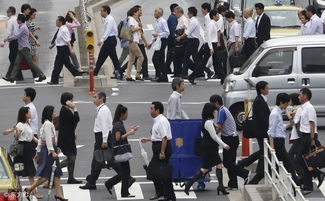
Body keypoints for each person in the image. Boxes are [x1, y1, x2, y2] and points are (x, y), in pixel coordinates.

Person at [184, 103, 230, 196]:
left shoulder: (205, 121)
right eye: (213, 111)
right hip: (210, 147)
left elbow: (205, 134)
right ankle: (189, 185)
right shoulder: (208, 123)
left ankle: (220, 186)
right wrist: (224, 145)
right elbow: (214, 136)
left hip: (208, 146)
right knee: (211, 167)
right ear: (210, 112)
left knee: (213, 166)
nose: (214, 112)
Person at [24, 105, 67, 201]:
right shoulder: (48, 124)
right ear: (50, 114)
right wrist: (52, 151)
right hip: (49, 151)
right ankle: (30, 188)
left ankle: (58, 194)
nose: (55, 114)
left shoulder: (47, 124)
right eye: (53, 112)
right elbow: (47, 139)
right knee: (46, 175)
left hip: (47, 149)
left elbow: (40, 140)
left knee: (57, 173)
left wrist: (38, 152)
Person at [210, 95, 249, 190]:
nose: (211, 106)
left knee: (227, 163)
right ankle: (233, 184)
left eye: (212, 103)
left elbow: (219, 127)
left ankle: (245, 174)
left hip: (230, 139)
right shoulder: (222, 110)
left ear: (216, 103)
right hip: (230, 138)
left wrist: (212, 136)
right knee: (230, 162)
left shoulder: (222, 111)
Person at [3, 107, 41, 199]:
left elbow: (32, 137)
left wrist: (41, 143)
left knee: (29, 170)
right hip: (22, 149)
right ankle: (31, 191)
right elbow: (16, 137)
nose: (31, 113)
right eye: (29, 112)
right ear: (25, 114)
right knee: (20, 170)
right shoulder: (20, 124)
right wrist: (17, 133)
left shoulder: (27, 124)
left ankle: (32, 191)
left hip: (27, 148)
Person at [140, 102, 176, 201]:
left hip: (162, 149)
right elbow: (158, 136)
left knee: (158, 172)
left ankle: (170, 196)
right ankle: (163, 194)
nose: (150, 110)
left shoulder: (161, 121)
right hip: (158, 147)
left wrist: (162, 152)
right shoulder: (157, 120)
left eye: (152, 108)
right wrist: (148, 139)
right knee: (157, 172)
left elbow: (164, 138)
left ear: (157, 110)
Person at [238, 81, 270, 184]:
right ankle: (247, 165)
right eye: (267, 88)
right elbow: (262, 118)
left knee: (263, 151)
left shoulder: (260, 100)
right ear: (262, 90)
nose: (268, 89)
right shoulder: (260, 101)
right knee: (264, 151)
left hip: (261, 131)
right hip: (262, 132)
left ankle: (246, 164)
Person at [80, 92, 113, 190]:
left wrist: (104, 140)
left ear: (101, 99)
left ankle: (126, 176)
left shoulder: (103, 110)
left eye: (95, 97)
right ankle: (92, 182)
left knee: (104, 160)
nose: (93, 99)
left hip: (101, 137)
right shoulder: (102, 109)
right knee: (98, 161)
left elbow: (105, 127)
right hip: (101, 137)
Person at [3, 14, 46, 83]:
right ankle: (12, 78)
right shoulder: (22, 26)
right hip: (21, 48)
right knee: (16, 63)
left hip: (24, 48)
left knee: (31, 63)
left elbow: (17, 36)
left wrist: (7, 38)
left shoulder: (23, 27)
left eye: (17, 19)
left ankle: (42, 75)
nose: (16, 20)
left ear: (20, 20)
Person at [105, 104, 137, 198]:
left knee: (125, 172)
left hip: (120, 150)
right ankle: (111, 184)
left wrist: (129, 131)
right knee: (125, 172)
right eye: (126, 113)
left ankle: (122, 191)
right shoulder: (118, 124)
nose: (127, 115)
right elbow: (118, 138)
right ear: (122, 114)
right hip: (121, 151)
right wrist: (129, 133)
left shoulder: (118, 123)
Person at [268, 93, 298, 184]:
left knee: (279, 163)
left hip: (279, 141)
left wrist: (288, 125)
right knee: (288, 163)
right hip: (277, 142)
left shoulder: (278, 112)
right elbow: (271, 132)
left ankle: (295, 182)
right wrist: (272, 147)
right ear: (281, 102)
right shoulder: (275, 114)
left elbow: (279, 127)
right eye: (286, 103)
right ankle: (296, 183)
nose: (287, 105)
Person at [296, 88, 321, 195]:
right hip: (305, 136)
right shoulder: (304, 107)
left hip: (308, 136)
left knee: (301, 159)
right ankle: (316, 174)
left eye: (300, 94)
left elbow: (312, 124)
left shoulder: (309, 108)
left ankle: (308, 185)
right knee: (303, 160)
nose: (298, 96)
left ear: (305, 96)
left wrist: (311, 139)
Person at [47, 16, 84, 85]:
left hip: (63, 49)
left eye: (56, 21)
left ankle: (54, 80)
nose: (55, 22)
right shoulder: (61, 29)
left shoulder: (64, 29)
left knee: (57, 65)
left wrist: (71, 50)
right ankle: (77, 74)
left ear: (60, 22)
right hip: (61, 49)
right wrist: (52, 45)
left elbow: (68, 40)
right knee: (67, 64)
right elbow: (58, 39)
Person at [57, 92, 82, 184]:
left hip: (68, 137)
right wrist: (75, 108)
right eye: (71, 100)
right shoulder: (65, 111)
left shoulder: (65, 110)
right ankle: (55, 169)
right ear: (67, 101)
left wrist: (73, 132)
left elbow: (70, 124)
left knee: (72, 156)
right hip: (66, 139)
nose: (73, 101)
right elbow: (76, 119)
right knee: (71, 157)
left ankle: (71, 177)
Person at [93, 6, 122, 79]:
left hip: (110, 40)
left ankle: (95, 72)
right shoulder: (108, 19)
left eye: (102, 11)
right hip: (111, 40)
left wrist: (101, 40)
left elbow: (107, 31)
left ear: (106, 11)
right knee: (113, 58)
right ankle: (119, 73)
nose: (100, 13)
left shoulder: (109, 20)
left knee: (102, 56)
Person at [176, 7, 201, 84]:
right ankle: (184, 74)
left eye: (188, 13)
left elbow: (187, 32)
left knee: (195, 58)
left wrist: (180, 37)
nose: (187, 14)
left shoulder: (194, 21)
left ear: (191, 13)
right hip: (190, 41)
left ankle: (205, 70)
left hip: (194, 41)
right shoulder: (191, 20)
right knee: (186, 57)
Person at [1, 6, 24, 81]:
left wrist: (3, 41)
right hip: (18, 40)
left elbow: (9, 32)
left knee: (12, 57)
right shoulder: (17, 19)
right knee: (14, 58)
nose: (7, 13)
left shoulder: (10, 20)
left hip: (14, 41)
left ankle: (11, 75)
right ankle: (18, 75)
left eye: (7, 12)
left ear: (10, 12)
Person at [149, 8, 170, 82]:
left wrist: (158, 34)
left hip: (163, 41)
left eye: (155, 12)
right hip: (158, 41)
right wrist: (150, 43)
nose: (154, 13)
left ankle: (160, 75)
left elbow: (167, 33)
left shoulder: (163, 21)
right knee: (160, 59)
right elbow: (155, 33)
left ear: (160, 13)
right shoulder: (157, 21)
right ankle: (163, 77)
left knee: (155, 59)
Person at [126, 6, 144, 81]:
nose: (138, 13)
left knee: (131, 60)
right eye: (137, 12)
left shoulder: (134, 19)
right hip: (132, 41)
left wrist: (139, 24)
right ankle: (138, 73)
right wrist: (139, 28)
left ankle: (128, 76)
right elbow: (132, 29)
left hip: (134, 41)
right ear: (134, 12)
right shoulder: (131, 19)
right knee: (141, 57)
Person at [173, 6, 189, 77]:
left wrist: (180, 36)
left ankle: (198, 69)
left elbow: (186, 29)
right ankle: (177, 73)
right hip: (179, 40)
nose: (175, 14)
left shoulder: (184, 19)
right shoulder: (179, 19)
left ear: (179, 12)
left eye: (176, 12)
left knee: (183, 58)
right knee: (178, 57)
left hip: (183, 41)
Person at [165, 3, 179, 74]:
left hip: (170, 39)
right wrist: (176, 38)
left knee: (170, 54)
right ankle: (167, 68)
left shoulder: (172, 17)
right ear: (174, 9)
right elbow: (173, 29)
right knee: (173, 54)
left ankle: (167, 68)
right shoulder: (173, 17)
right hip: (172, 39)